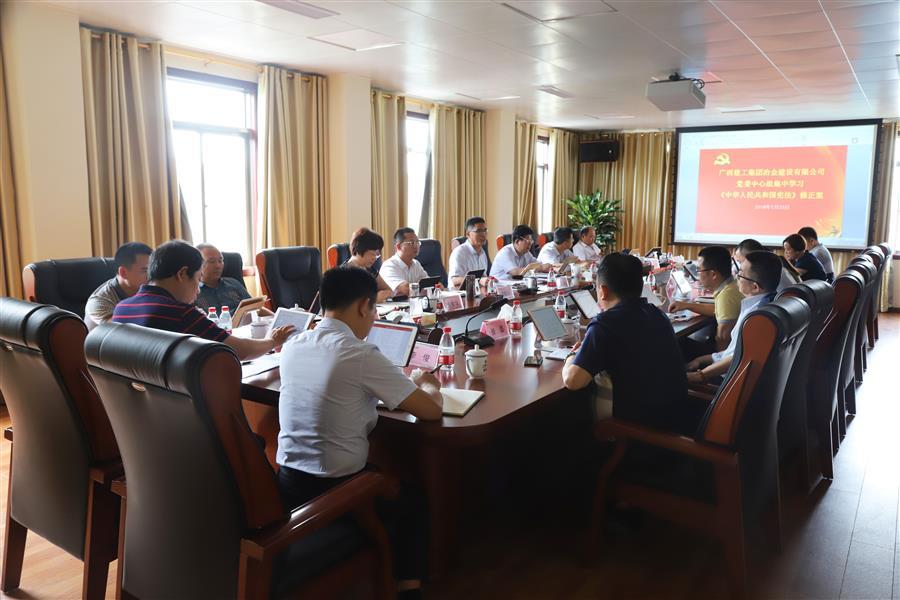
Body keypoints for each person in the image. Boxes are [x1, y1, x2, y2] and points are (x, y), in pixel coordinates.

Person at [277, 266, 442, 595]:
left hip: (287, 484)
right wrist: (427, 384)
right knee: (413, 500)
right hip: (337, 490)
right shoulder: (359, 353)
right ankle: (409, 590)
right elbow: (431, 410)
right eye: (374, 309)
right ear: (364, 306)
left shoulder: (294, 344)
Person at [562, 253, 692, 435]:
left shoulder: (605, 324)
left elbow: (573, 381)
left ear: (603, 291)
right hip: (675, 419)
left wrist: (571, 357)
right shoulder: (657, 314)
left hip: (637, 430)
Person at [112, 240, 293, 360]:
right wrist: (273, 341)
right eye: (198, 279)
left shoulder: (121, 309)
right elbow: (240, 351)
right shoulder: (180, 313)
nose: (198, 290)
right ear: (182, 274)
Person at [685, 251, 782, 384]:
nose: (737, 277)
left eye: (741, 274)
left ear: (755, 287)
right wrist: (701, 360)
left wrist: (700, 375)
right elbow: (731, 353)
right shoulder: (766, 303)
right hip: (727, 368)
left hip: (728, 380)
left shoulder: (757, 318)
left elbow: (737, 359)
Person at [670, 246, 742, 352]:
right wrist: (687, 305)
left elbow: (723, 341)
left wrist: (705, 360)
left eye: (699, 270)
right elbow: (717, 310)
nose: (698, 275)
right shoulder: (733, 286)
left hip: (723, 356)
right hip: (729, 352)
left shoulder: (727, 296)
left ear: (713, 274)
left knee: (676, 343)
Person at [84, 242, 153, 330]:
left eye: (152, 270)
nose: (151, 275)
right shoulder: (100, 302)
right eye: (145, 270)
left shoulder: (149, 288)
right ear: (123, 272)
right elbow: (123, 332)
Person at [194, 243, 250, 314]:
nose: (218, 266)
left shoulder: (233, 283)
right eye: (212, 261)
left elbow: (253, 306)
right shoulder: (193, 292)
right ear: (198, 264)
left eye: (220, 261)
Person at [344, 227, 394, 302]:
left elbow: (390, 291)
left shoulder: (370, 270)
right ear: (359, 249)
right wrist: (374, 299)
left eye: (377, 255)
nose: (374, 258)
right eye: (372, 254)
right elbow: (349, 303)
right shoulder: (344, 274)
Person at [378, 227, 429, 295]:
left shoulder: (416, 264)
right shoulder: (389, 266)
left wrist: (433, 285)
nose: (416, 246)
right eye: (412, 243)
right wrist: (423, 286)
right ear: (398, 246)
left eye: (417, 242)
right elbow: (405, 290)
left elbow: (430, 283)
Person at [448, 216, 490, 289]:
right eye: (479, 231)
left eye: (485, 230)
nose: (483, 234)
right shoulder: (459, 253)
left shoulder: (482, 252)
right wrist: (478, 280)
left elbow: (483, 276)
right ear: (468, 234)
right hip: (458, 293)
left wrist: (488, 280)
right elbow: (454, 280)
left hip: (476, 291)